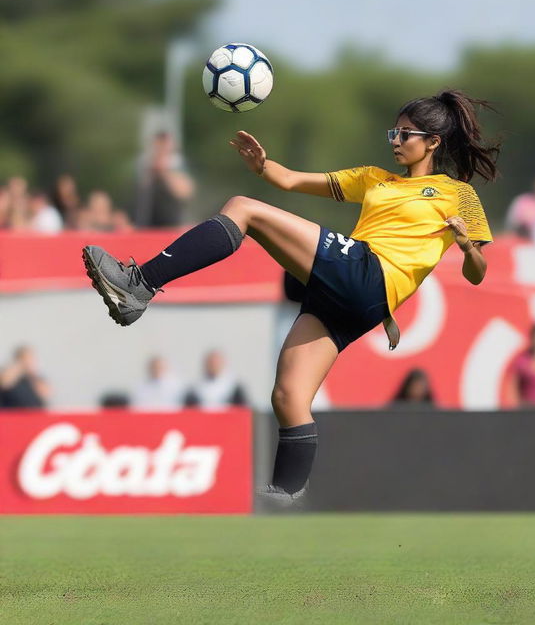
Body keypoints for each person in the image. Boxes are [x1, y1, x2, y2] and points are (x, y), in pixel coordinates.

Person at [82, 89, 498, 504]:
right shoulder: (374, 178)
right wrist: (263, 166)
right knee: (288, 397)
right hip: (356, 298)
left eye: (406, 134)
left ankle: (139, 284)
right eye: (394, 131)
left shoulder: (458, 195)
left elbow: (476, 275)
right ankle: (284, 497)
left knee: (243, 208)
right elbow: (292, 180)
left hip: (367, 276)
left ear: (434, 142)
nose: (395, 140)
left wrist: (466, 246)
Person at [134, 131, 195, 228]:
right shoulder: (145, 165)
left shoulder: (177, 165)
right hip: (148, 225)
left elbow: (185, 193)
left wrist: (164, 172)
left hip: (173, 225)